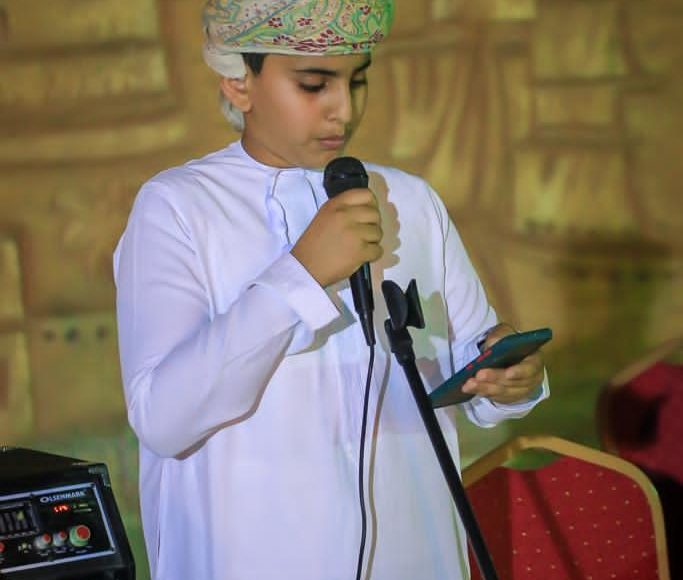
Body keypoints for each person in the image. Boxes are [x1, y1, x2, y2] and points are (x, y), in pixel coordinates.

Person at [114, 1, 549, 579]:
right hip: (254, 558)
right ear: (239, 82)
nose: (343, 109)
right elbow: (164, 418)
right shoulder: (178, 208)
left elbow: (471, 378)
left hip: (413, 553)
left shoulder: (409, 201)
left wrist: (507, 377)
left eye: (357, 80)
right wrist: (301, 275)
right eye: (314, 84)